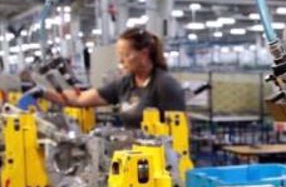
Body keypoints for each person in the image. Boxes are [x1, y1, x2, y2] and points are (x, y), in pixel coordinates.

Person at [44, 27, 186, 128]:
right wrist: (43, 92)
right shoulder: (125, 83)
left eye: (126, 55)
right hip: (133, 157)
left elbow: (181, 132)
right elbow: (80, 99)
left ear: (144, 54)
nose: (121, 61)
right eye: (120, 55)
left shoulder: (165, 85)